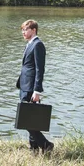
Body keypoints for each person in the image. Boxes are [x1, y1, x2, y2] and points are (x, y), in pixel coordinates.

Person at [16, 19, 54, 153]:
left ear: (33, 30)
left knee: (25, 118)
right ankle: (34, 148)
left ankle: (46, 144)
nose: (23, 32)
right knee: (28, 117)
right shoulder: (29, 44)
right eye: (22, 30)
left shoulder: (38, 45)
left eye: (25, 29)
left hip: (31, 87)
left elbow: (39, 69)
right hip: (24, 85)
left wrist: (37, 90)